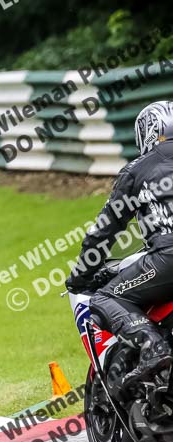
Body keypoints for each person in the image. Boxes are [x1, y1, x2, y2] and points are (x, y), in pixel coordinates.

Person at [66, 101, 173, 386]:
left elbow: (104, 232)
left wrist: (80, 278)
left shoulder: (138, 170)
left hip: (168, 257)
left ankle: (153, 346)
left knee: (106, 298)